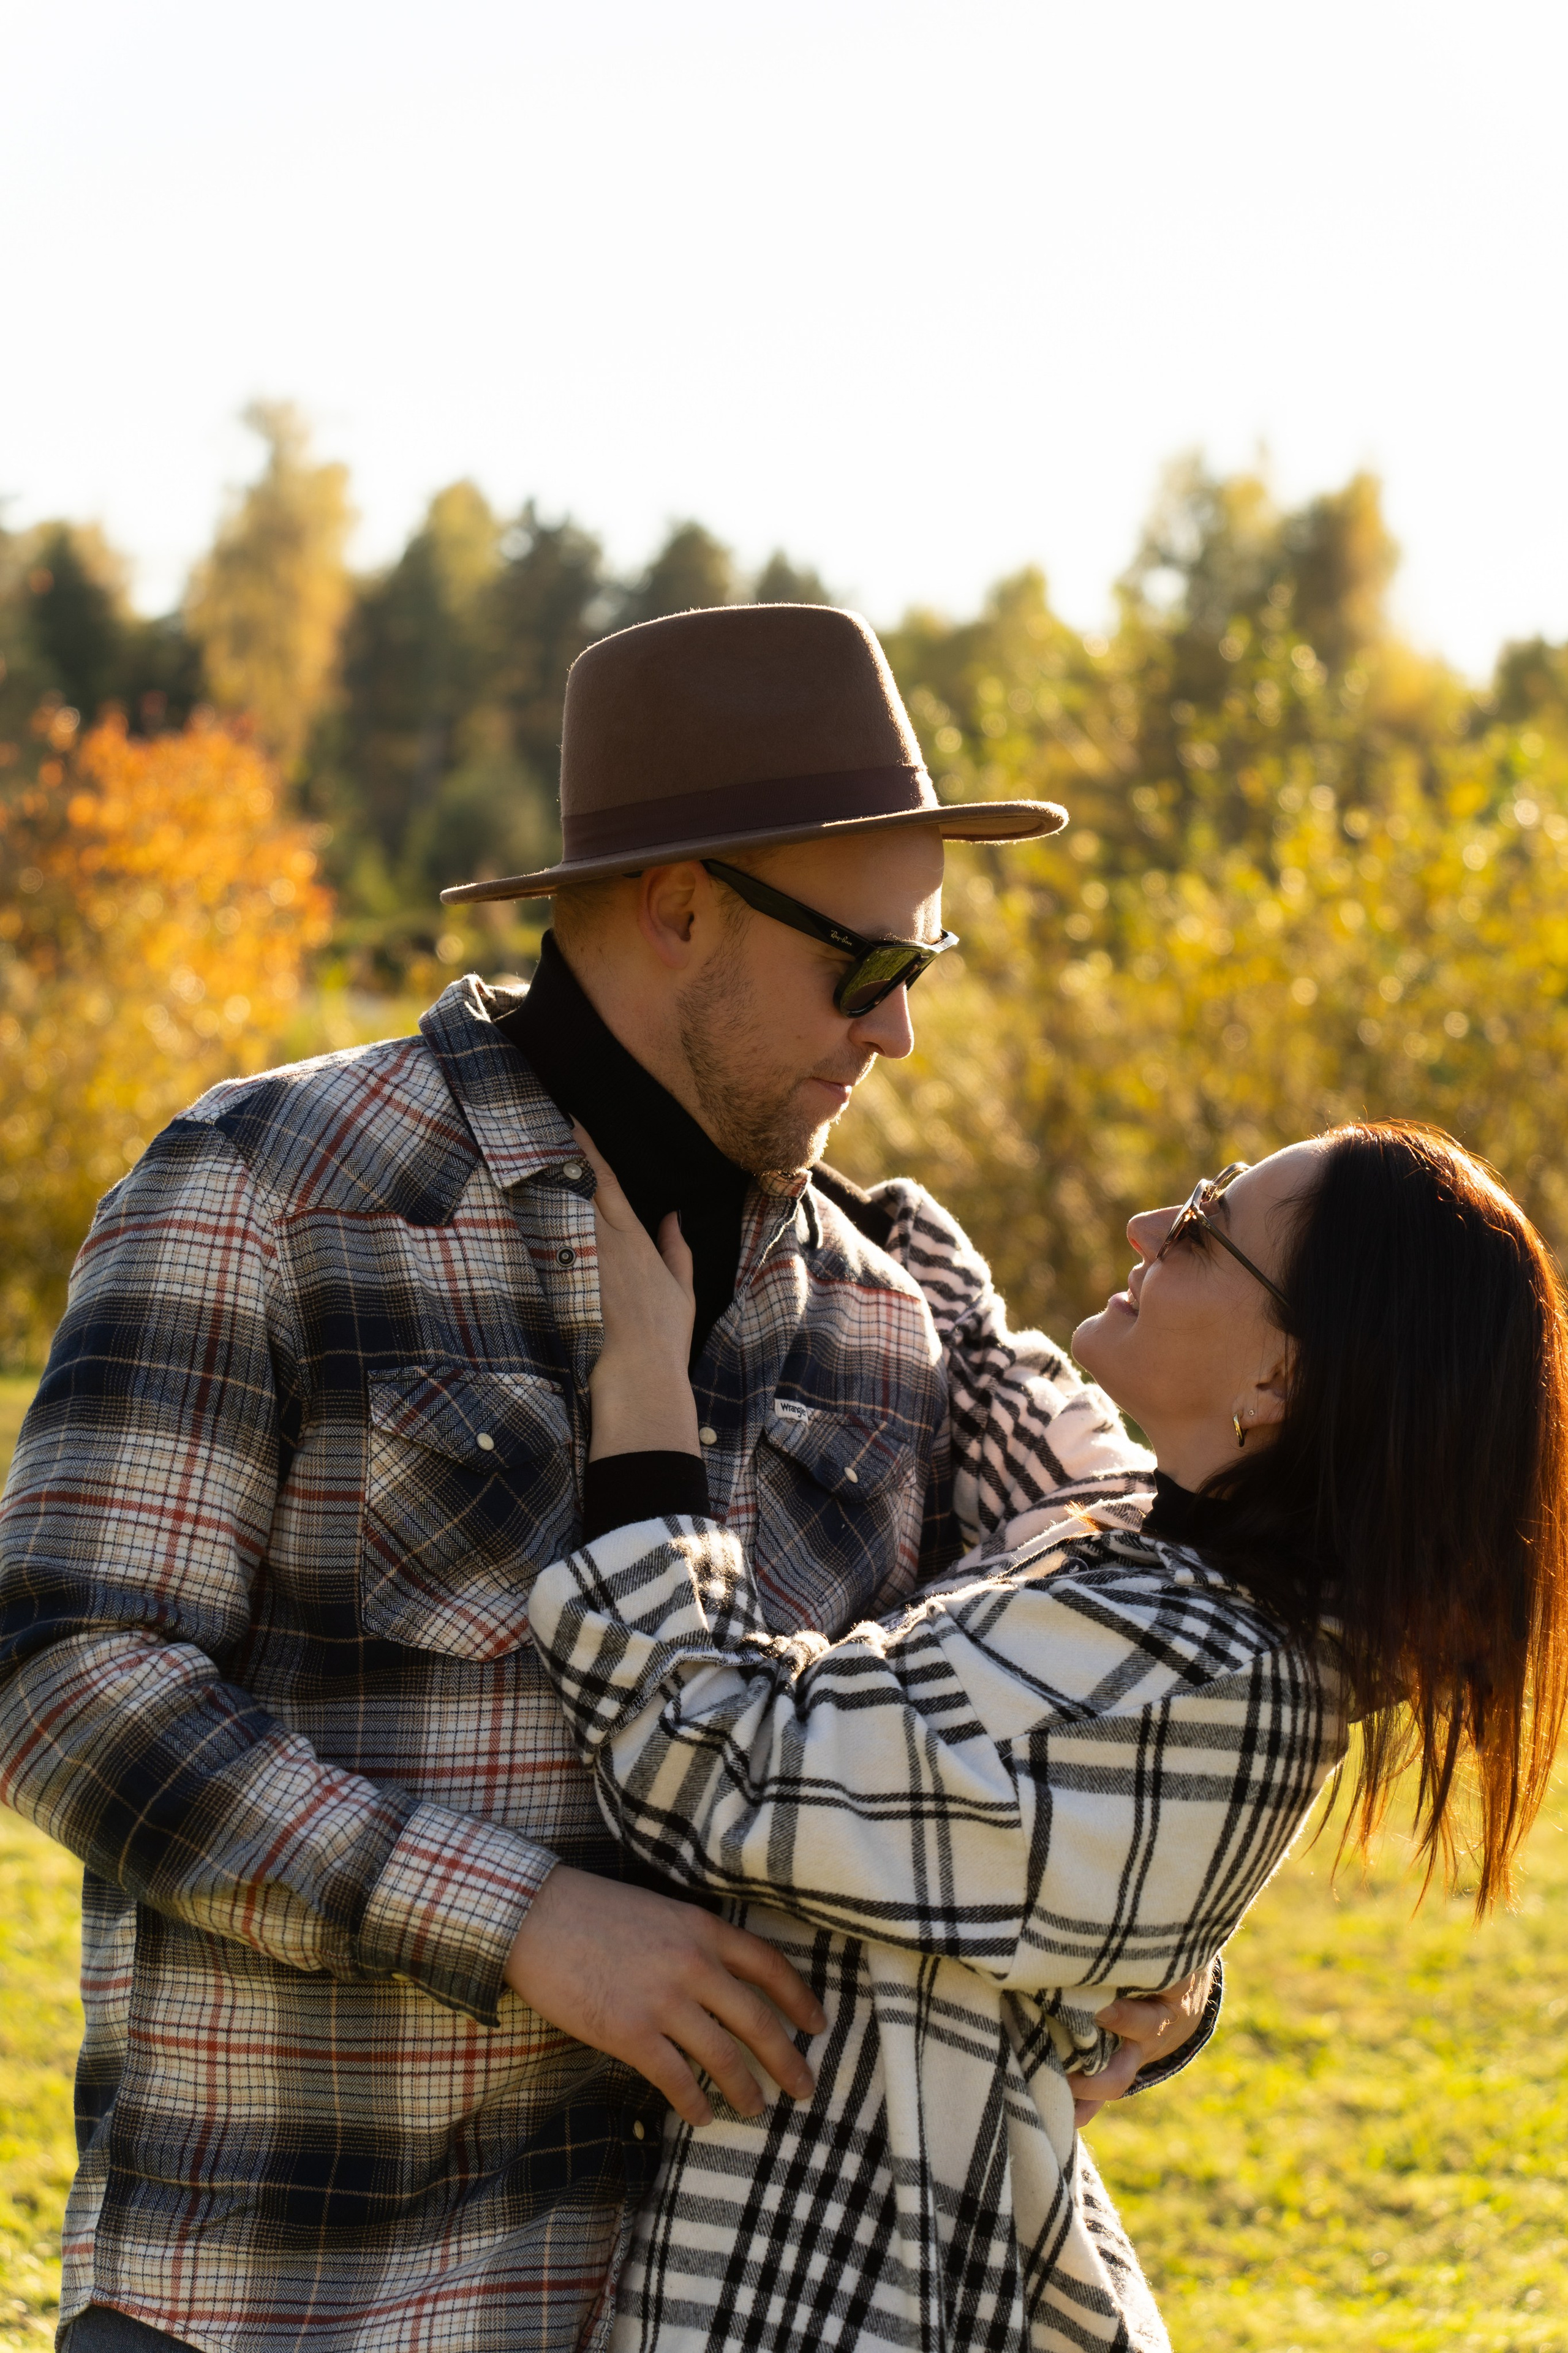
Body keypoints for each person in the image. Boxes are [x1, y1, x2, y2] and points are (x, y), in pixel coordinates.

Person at [0, 604, 1205, 2353]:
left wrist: (1155, 1976)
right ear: (679, 904)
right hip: (288, 2305)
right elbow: (66, 1678)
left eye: (919, 977)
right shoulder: (269, 1183)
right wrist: (527, 1925)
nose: (897, 1039)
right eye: (871, 969)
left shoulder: (894, 1310)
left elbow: (1022, 1743)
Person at [527, 1120, 1568, 2353]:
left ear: (1277, 1382)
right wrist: (773, 1140)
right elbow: (993, 1372)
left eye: (1199, 1230)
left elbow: (727, 1766)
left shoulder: (1199, 1670)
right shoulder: (1160, 1532)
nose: (1143, 1229)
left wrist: (641, 1393)